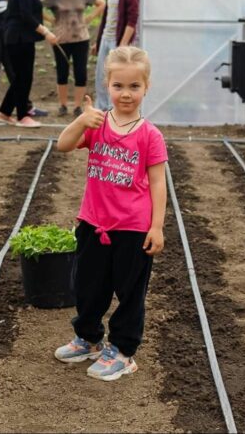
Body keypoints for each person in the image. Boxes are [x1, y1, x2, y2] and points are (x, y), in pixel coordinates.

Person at [53, 46, 167, 381]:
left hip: (132, 228)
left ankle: (123, 350)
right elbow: (62, 144)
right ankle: (88, 338)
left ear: (146, 88)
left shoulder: (150, 135)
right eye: (118, 86)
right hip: (93, 223)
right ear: (107, 85)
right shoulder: (96, 123)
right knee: (87, 285)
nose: (126, 94)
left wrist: (156, 227)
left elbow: (158, 183)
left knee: (130, 291)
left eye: (134, 86)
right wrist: (80, 120)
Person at [0, 0, 59, 128]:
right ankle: (23, 116)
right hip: (19, 38)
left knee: (21, 78)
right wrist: (46, 32)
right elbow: (26, 15)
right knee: (23, 78)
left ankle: (4, 112)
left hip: (18, 38)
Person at [42, 0, 104, 117]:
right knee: (62, 73)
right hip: (61, 39)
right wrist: (50, 20)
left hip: (81, 38)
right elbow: (36, 6)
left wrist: (90, 18)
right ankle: (63, 105)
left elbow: (102, 3)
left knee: (81, 73)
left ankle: (77, 106)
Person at [93, 0, 129, 110]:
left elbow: (132, 21)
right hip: (106, 39)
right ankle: (101, 108)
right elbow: (106, 18)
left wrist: (123, 43)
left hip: (117, 40)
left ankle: (112, 108)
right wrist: (98, 40)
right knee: (101, 75)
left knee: (116, 75)